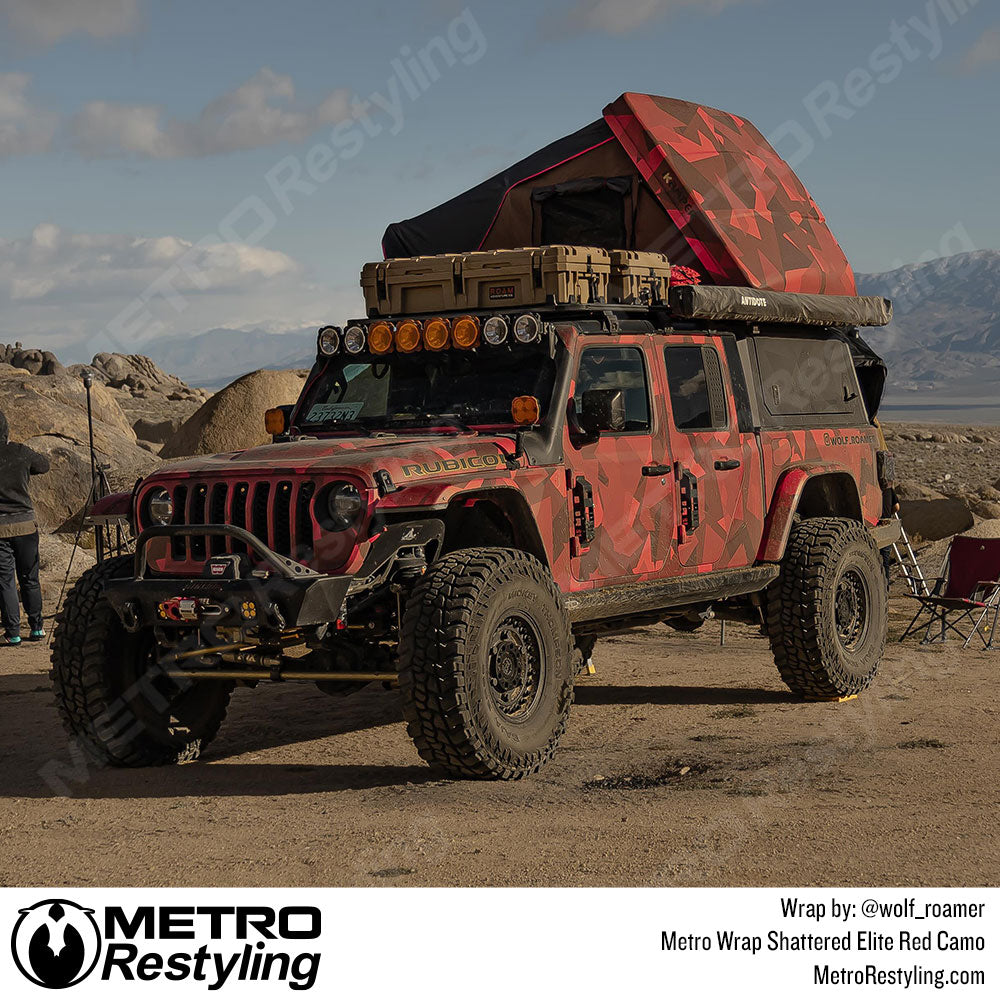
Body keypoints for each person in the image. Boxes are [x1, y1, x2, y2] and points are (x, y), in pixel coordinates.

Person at [0, 410, 50, 645]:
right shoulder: (20, 451)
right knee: (30, 578)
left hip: (0, 529)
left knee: (6, 581)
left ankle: (13, 633)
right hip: (26, 526)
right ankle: (37, 628)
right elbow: (44, 465)